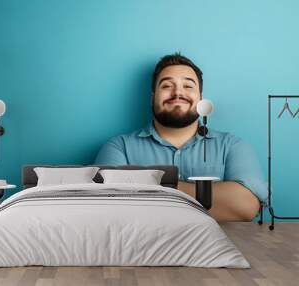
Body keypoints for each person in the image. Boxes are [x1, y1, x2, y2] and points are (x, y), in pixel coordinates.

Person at [95, 53, 267, 222]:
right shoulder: (118, 147)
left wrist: (146, 185)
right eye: (167, 85)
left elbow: (245, 207)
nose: (177, 93)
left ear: (200, 98)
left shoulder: (232, 146)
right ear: (153, 97)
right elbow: (111, 207)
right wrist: (211, 195)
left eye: (188, 86)